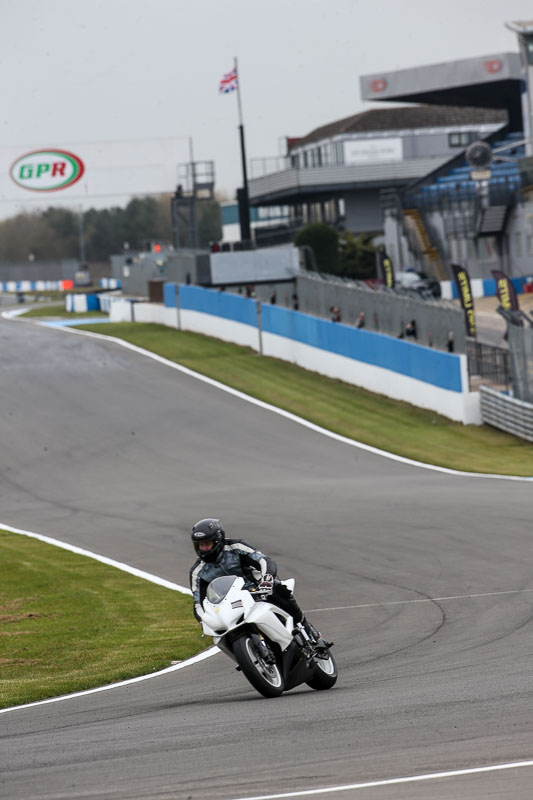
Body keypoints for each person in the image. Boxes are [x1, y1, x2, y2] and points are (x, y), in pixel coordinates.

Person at [189, 518, 320, 641]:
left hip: (258, 588)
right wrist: (203, 620)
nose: (203, 548)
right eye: (200, 545)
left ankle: (306, 627)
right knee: (223, 633)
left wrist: (267, 580)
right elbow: (198, 603)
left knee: (279, 590)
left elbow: (264, 560)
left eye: (207, 544)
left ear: (218, 541)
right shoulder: (197, 572)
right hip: (233, 603)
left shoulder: (236, 547)